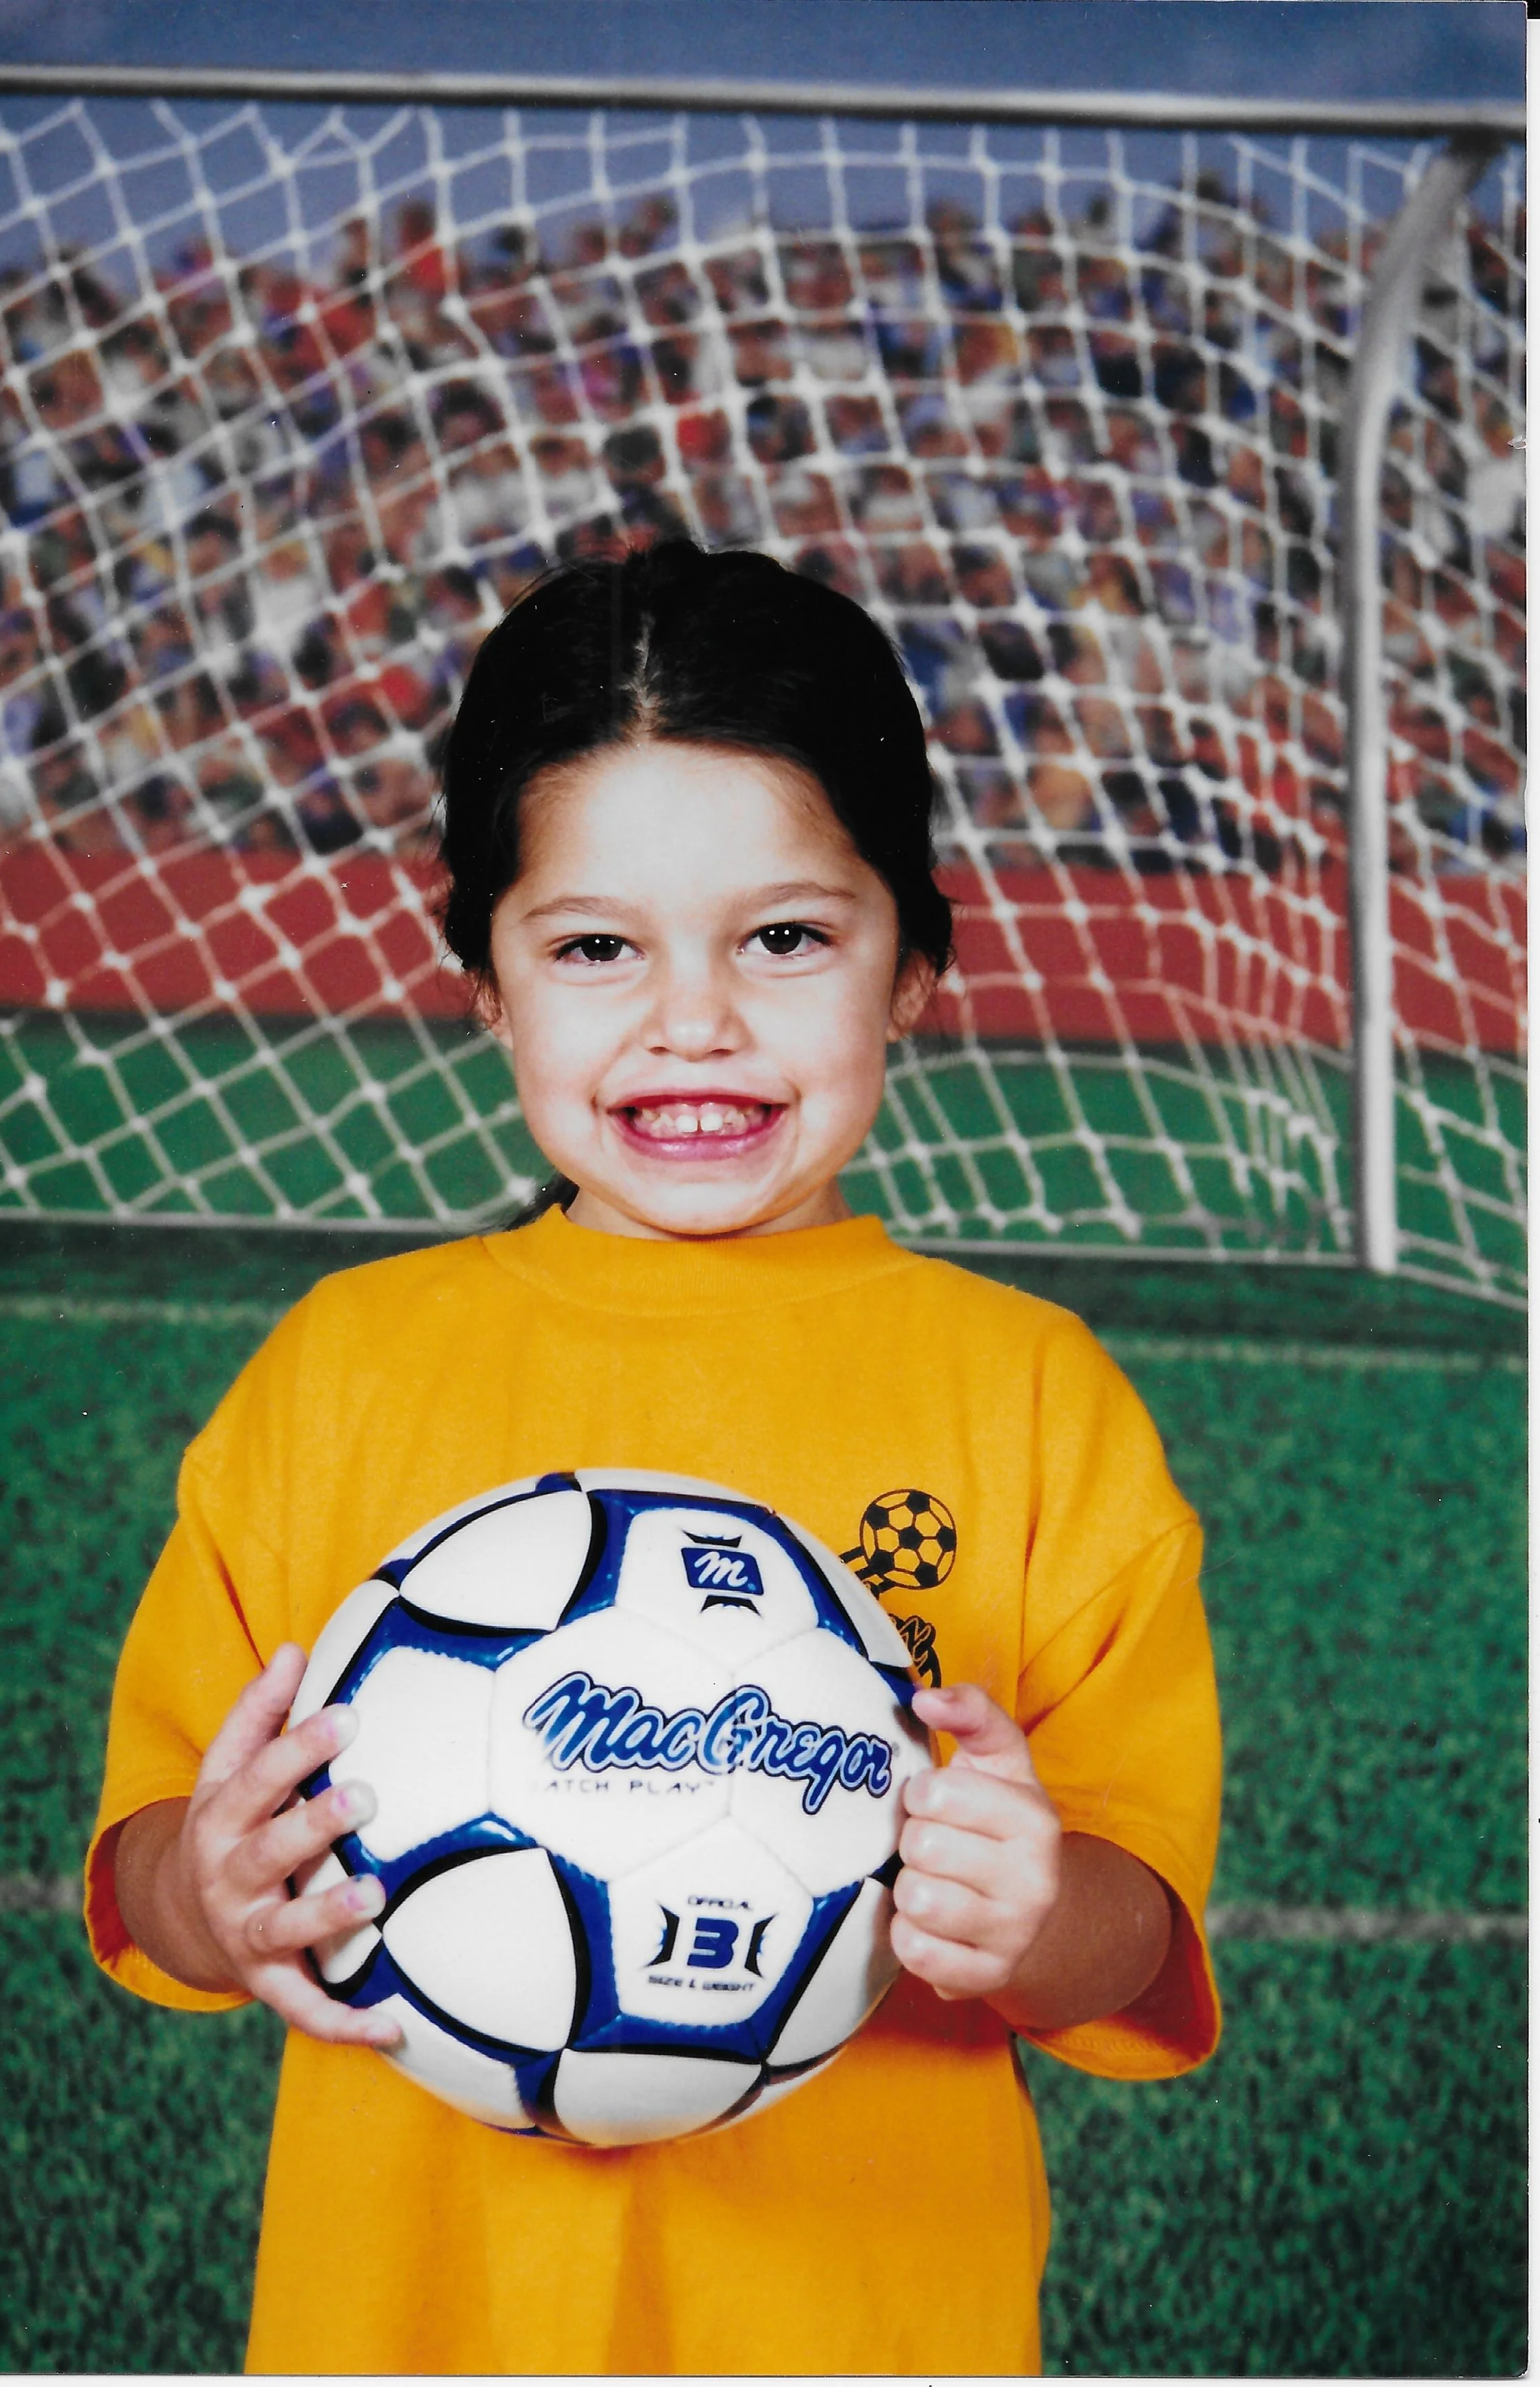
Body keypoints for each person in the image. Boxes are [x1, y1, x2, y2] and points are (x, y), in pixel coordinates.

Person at [86, 539, 1221, 2375]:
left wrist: (1029, 1915)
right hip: (418, 2332)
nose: (691, 1020)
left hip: (864, 2320)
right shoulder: (343, 1375)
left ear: (913, 963)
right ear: (490, 984)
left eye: (784, 938)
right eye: (595, 947)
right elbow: (153, 1870)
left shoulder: (1031, 1402)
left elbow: (1127, 1935)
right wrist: (208, 1889)